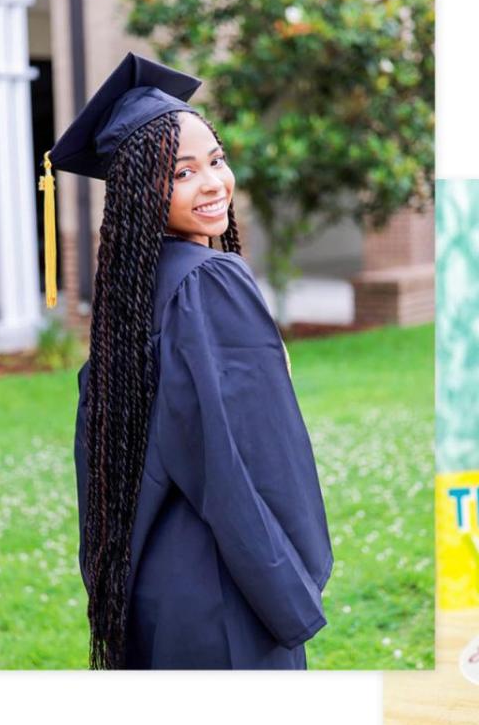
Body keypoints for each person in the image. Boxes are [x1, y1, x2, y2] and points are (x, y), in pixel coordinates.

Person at [49, 53, 332, 669]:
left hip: (152, 589)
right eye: (182, 172)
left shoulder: (131, 291)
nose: (213, 183)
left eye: (217, 159)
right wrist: (293, 582)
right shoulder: (211, 281)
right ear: (138, 189)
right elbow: (249, 460)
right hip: (226, 591)